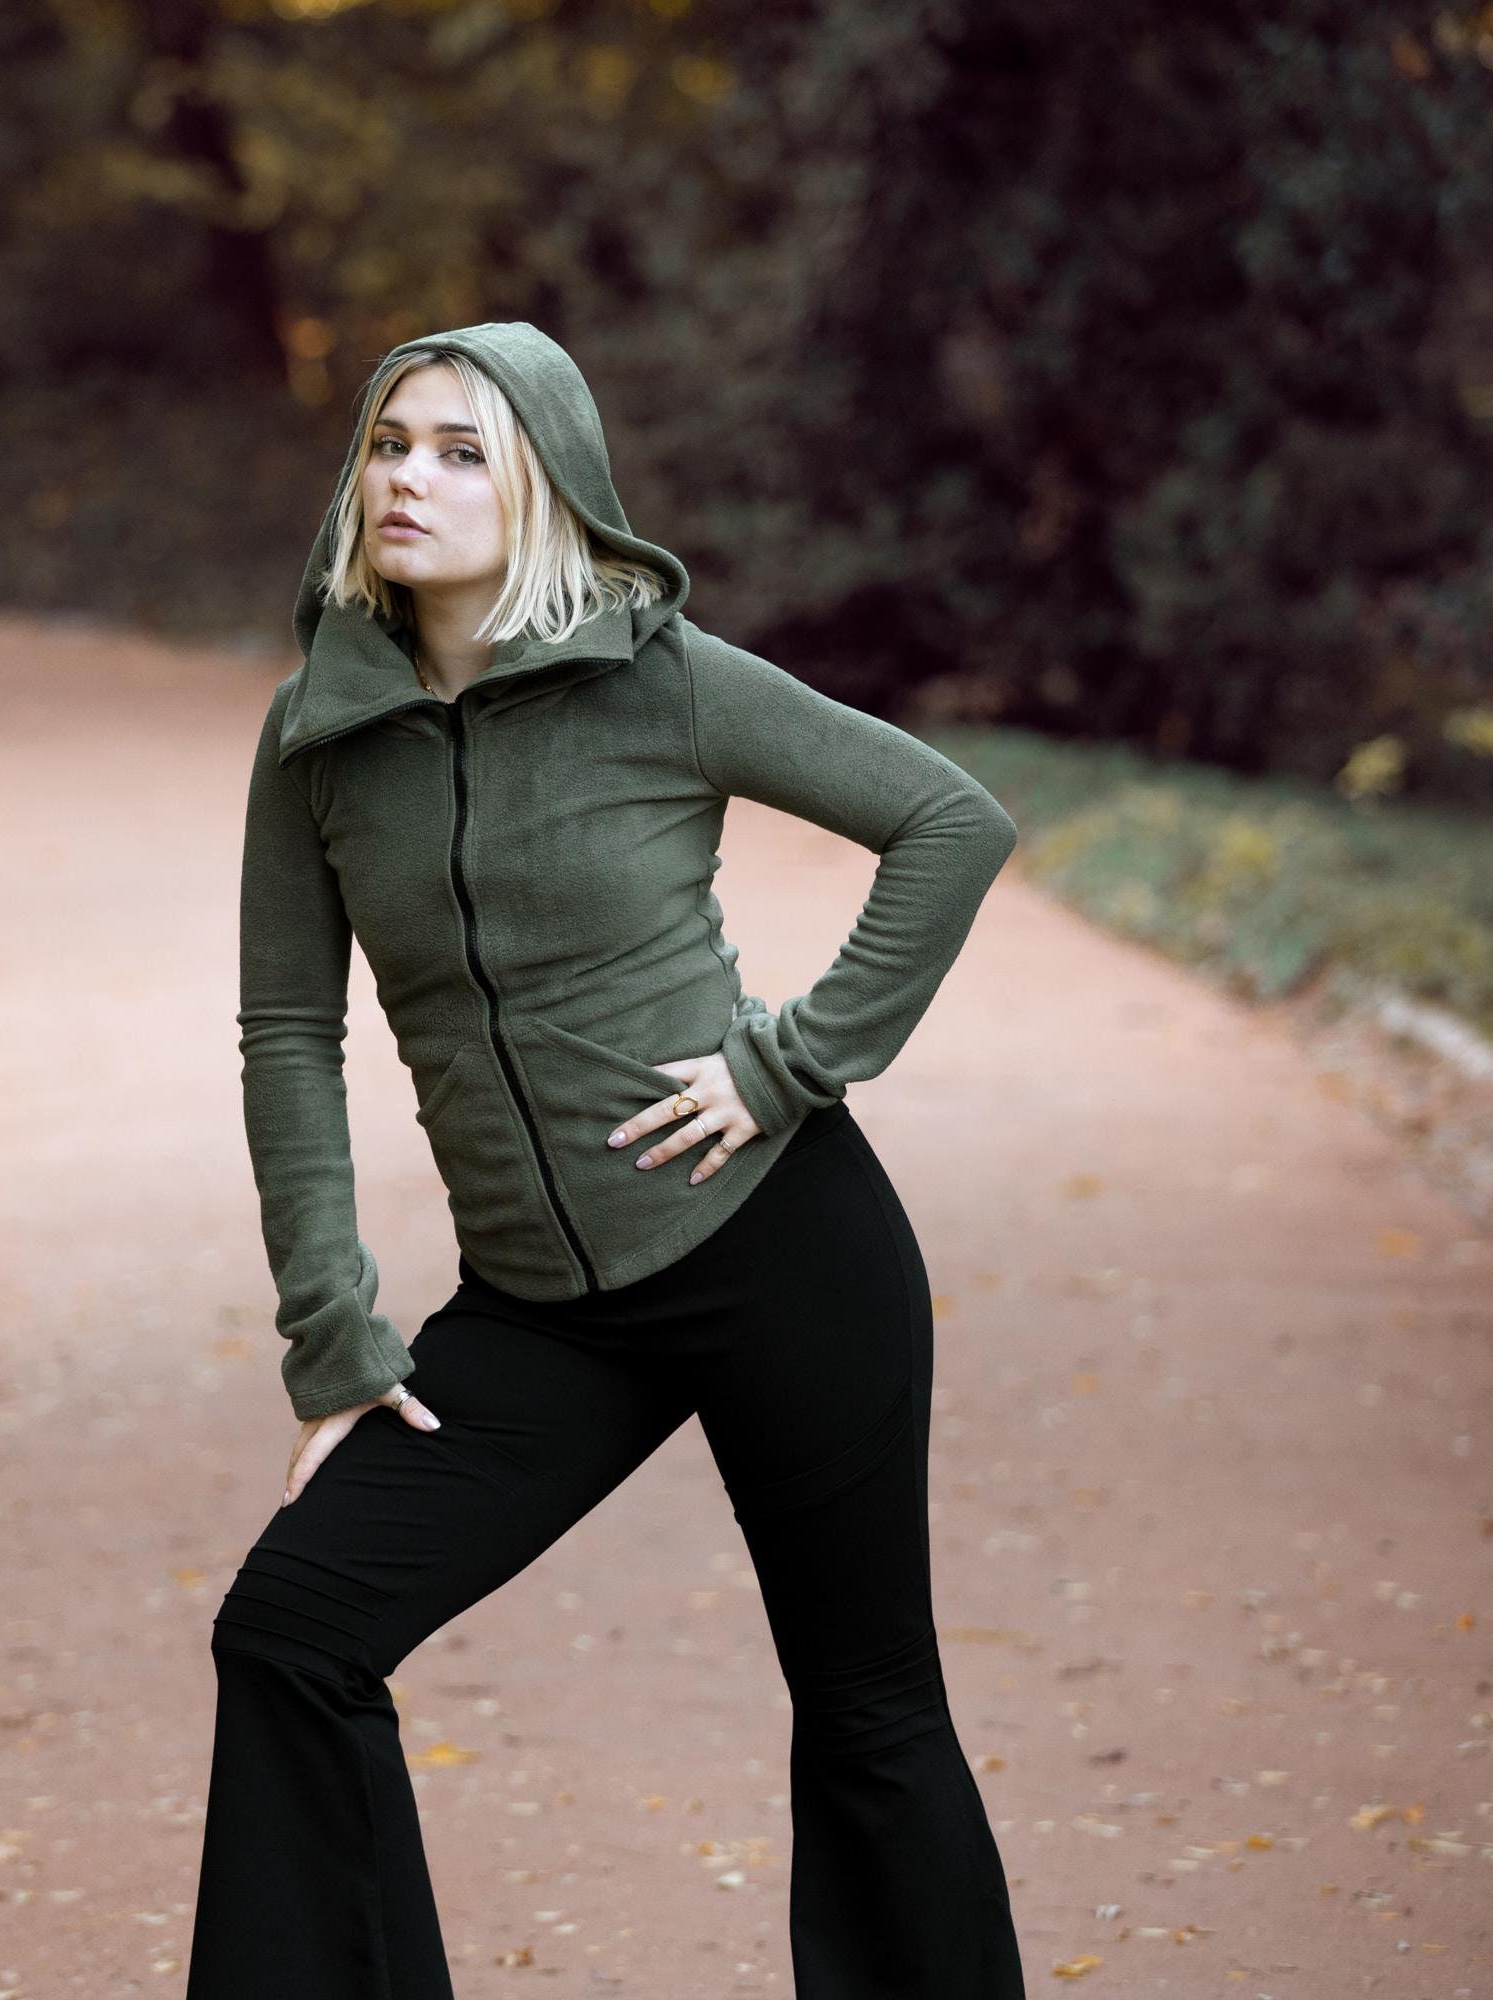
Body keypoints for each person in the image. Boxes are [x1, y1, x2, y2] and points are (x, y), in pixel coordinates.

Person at [185, 320, 1030, 1998]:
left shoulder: (659, 678)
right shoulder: (319, 736)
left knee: (868, 1709)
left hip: (779, 1250)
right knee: (292, 1630)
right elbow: (289, 1033)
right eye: (390, 444)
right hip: (541, 1312)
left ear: (548, 487)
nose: (411, 479)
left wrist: (789, 1061)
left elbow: (950, 821)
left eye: (463, 451)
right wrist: (334, 1336)